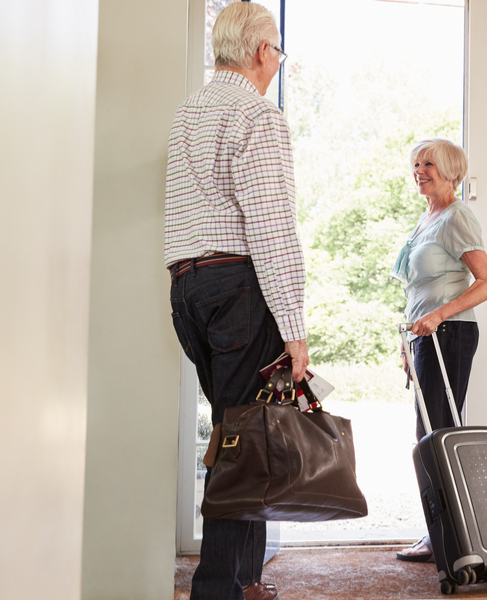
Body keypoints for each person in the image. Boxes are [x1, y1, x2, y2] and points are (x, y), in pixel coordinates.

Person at [165, 3, 306, 599]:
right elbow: (272, 227)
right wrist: (295, 330)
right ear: (256, 52)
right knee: (241, 447)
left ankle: (243, 580)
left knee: (236, 432)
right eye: (276, 51)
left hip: (189, 288)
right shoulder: (258, 115)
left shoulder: (187, 113)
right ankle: (220, 587)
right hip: (239, 289)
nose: (277, 62)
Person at [390, 138, 487, 562]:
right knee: (429, 436)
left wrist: (438, 317)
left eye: (429, 163)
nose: (419, 170)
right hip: (427, 338)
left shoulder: (456, 216)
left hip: (450, 334)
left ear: (452, 171)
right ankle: (441, 533)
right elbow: (420, 289)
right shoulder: (427, 218)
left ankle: (448, 538)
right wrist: (411, 342)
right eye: (416, 163)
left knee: (438, 436)